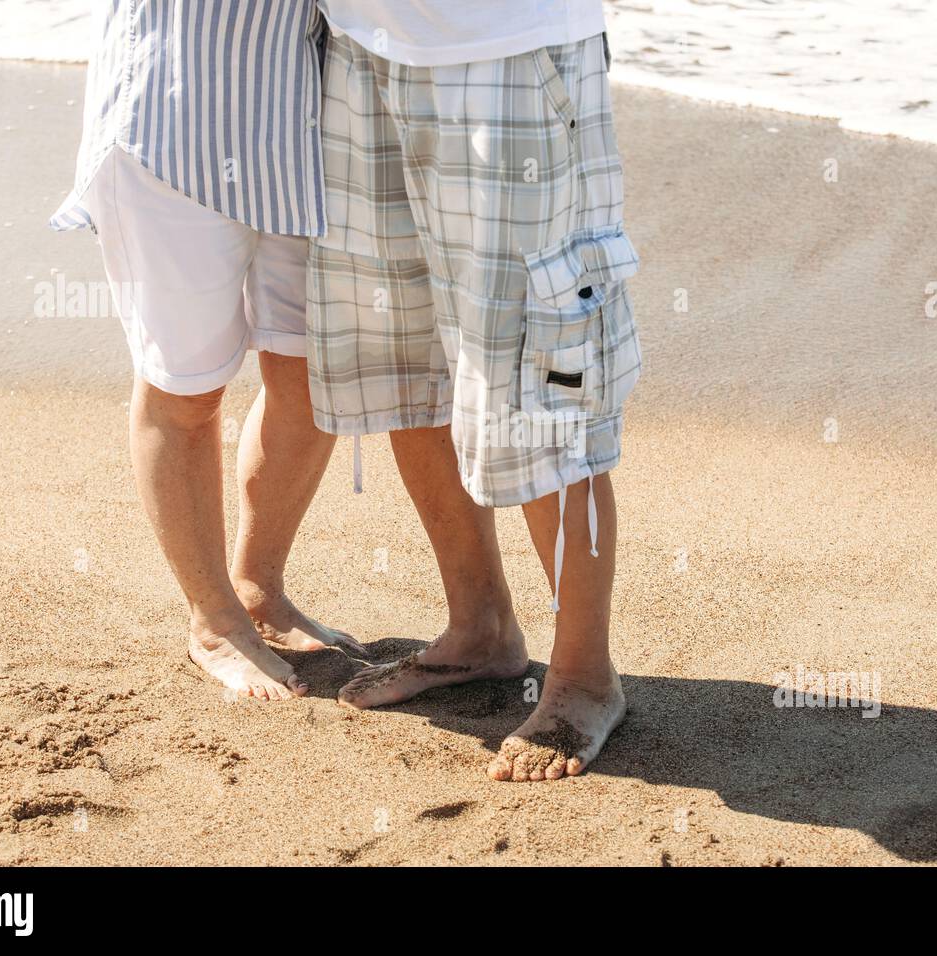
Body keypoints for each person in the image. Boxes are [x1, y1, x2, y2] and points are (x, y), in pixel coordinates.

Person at [308, 1, 642, 779]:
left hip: (505, 50)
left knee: (545, 386)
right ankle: (480, 628)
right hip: (362, 46)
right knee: (408, 354)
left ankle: (585, 675)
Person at [52, 0, 364, 701]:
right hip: (173, 126)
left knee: (315, 377)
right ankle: (215, 620)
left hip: (300, 120)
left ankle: (259, 590)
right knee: (186, 390)